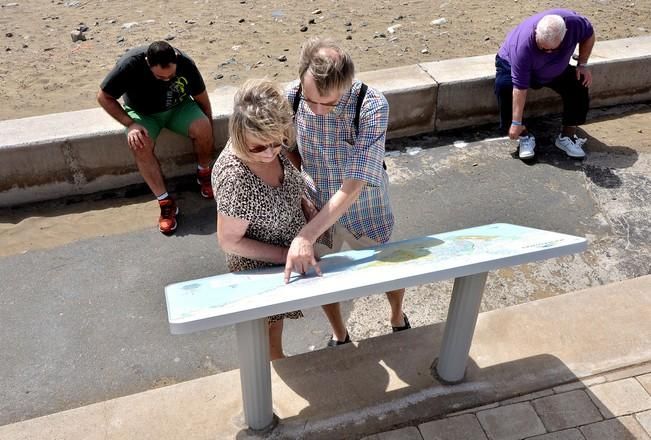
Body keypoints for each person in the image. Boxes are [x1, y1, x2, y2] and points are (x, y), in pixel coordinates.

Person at [284, 37, 409, 347]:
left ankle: (397, 315)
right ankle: (340, 334)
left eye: (329, 102)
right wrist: (302, 182)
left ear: (347, 83)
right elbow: (286, 147)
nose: (317, 110)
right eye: (311, 101)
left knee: (388, 270)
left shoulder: (372, 104)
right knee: (323, 276)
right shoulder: (291, 97)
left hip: (366, 207)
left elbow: (354, 186)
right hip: (316, 204)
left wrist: (305, 236)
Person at [212, 79, 317, 360]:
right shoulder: (236, 177)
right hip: (259, 266)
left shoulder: (267, 141)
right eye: (259, 148)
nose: (270, 153)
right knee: (264, 331)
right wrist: (285, 254)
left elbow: (286, 180)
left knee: (276, 325)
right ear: (239, 134)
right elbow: (229, 240)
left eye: (277, 142)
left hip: (284, 255)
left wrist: (302, 200)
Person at [97, 41, 214, 235]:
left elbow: (203, 100)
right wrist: (130, 124)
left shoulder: (186, 63)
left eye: (171, 76)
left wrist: (209, 130)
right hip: (143, 114)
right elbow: (103, 97)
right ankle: (165, 202)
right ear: (147, 63)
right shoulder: (130, 64)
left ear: (175, 60)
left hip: (179, 108)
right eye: (160, 76)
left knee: (203, 126)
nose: (167, 80)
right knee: (139, 144)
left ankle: (204, 174)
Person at [494, 9, 595, 160]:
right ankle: (523, 135)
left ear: (564, 35)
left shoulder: (575, 24)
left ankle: (567, 135)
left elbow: (589, 35)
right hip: (512, 64)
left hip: (555, 67)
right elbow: (519, 88)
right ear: (536, 33)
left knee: (579, 83)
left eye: (551, 49)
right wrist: (515, 122)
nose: (546, 51)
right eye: (542, 47)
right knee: (504, 88)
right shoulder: (522, 46)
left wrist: (582, 64)